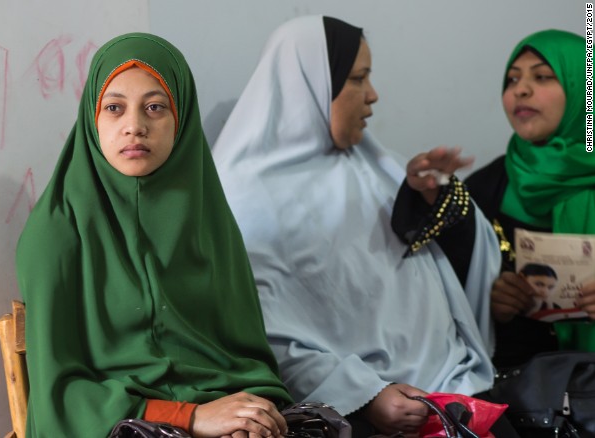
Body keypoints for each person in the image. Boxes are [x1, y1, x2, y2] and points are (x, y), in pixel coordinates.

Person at [212, 15, 515, 437]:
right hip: (349, 414)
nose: (372, 95)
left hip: (454, 394)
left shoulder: (375, 166)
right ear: (310, 86)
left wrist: (432, 197)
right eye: (357, 79)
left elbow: (442, 260)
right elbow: (262, 335)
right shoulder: (242, 199)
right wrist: (367, 395)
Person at [15, 32, 293, 438]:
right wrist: (191, 418)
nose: (134, 127)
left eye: (155, 107)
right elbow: (58, 395)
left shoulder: (209, 221)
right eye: (114, 108)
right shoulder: (57, 231)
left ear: (181, 118)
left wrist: (249, 415)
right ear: (91, 119)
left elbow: (250, 363)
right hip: (119, 427)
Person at [465, 29, 595, 366]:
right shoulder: (482, 190)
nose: (520, 90)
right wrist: (487, 303)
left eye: (542, 76)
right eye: (511, 80)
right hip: (519, 395)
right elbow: (445, 307)